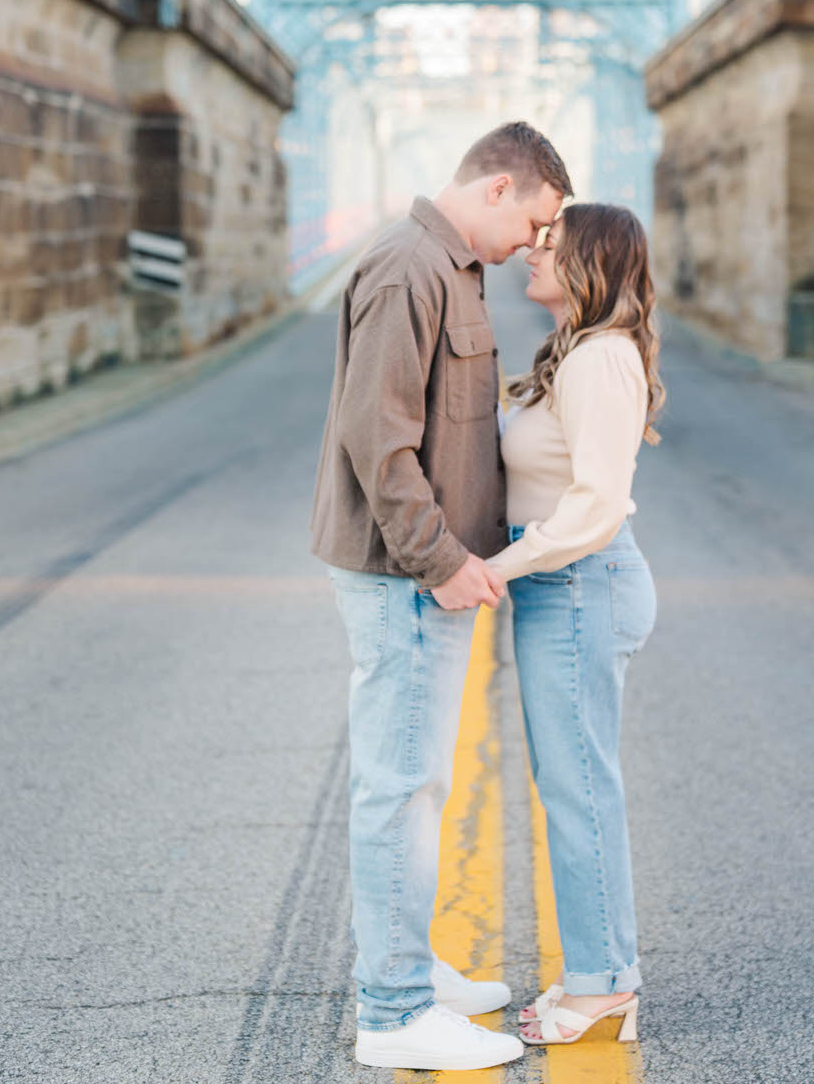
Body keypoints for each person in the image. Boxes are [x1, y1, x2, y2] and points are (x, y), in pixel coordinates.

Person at [311, 122, 572, 1072]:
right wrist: (441, 561)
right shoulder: (407, 267)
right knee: (399, 789)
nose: (536, 246)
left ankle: (407, 967)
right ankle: (392, 1011)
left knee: (422, 785)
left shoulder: (452, 266)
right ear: (499, 187)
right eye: (537, 222)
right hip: (402, 575)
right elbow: (373, 439)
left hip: (425, 573)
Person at [484, 202, 663, 1048]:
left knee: (578, 790)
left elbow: (593, 504)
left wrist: (498, 567)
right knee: (573, 787)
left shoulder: (599, 359)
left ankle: (602, 987)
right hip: (564, 583)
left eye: (548, 246)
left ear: (587, 261)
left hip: (578, 582)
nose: (530, 253)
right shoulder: (580, 352)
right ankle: (601, 970)